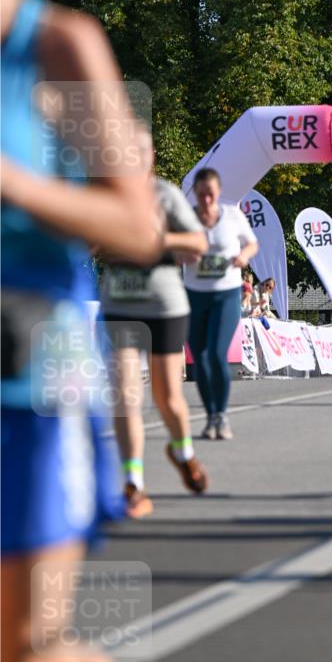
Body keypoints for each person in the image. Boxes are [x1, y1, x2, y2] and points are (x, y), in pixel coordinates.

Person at [1, 0, 161, 662]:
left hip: (32, 367)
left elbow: (136, 223)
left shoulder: (60, 45)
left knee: (28, 652)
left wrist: (16, 184)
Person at [99, 131, 210, 517]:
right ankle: (133, 483)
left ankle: (183, 451)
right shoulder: (107, 194)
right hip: (120, 303)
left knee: (168, 398)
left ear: (152, 157)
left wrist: (157, 239)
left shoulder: (165, 195)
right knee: (126, 393)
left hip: (164, 305)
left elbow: (198, 244)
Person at [184, 168, 259, 440]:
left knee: (216, 354)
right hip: (194, 294)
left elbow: (252, 244)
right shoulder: (186, 218)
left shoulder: (232, 215)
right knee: (200, 358)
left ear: (218, 193)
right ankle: (211, 414)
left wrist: (243, 257)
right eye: (201, 195)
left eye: (211, 195)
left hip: (226, 294)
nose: (206, 200)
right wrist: (184, 254)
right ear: (196, 193)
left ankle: (222, 415)